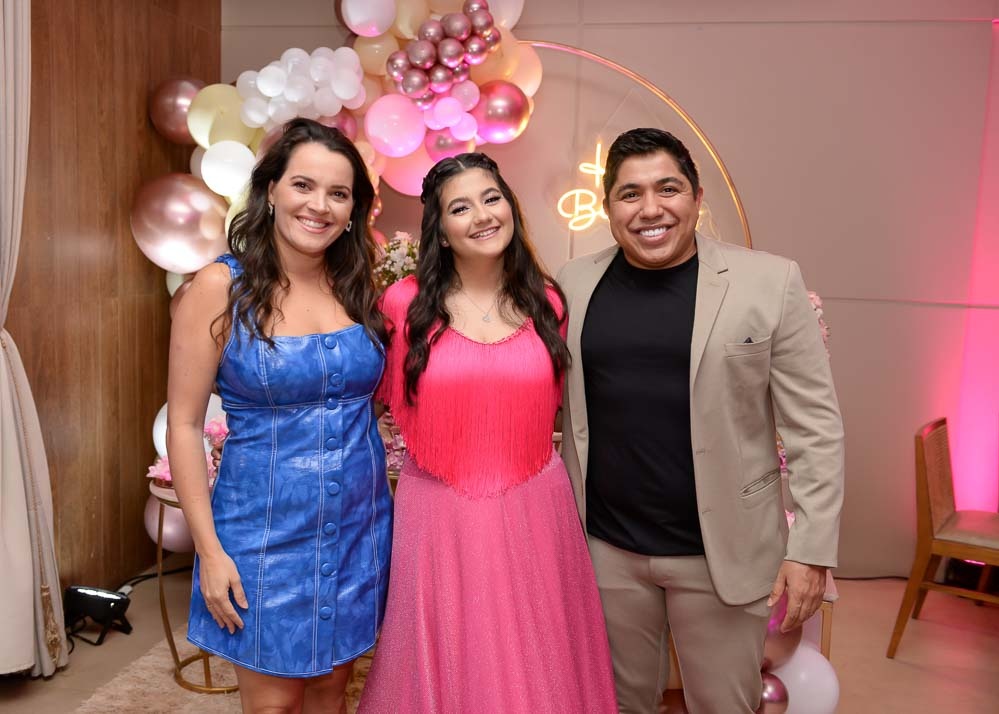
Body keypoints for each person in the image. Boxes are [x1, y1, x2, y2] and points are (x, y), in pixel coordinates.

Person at [556, 128, 844, 713]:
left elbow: (815, 426)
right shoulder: (573, 284)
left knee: (723, 705)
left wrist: (810, 550)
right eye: (630, 193)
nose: (650, 209)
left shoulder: (769, 282)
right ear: (608, 207)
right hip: (606, 549)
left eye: (668, 188)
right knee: (617, 704)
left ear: (697, 197)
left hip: (722, 553)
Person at [358, 153, 617, 713]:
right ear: (440, 232)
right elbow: (377, 403)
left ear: (510, 207)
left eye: (491, 198)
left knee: (537, 663)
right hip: (439, 511)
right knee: (450, 655)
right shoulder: (403, 304)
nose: (482, 215)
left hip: (535, 505)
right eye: (460, 207)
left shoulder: (548, 302)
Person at [167, 118, 392, 713]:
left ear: (353, 210)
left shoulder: (358, 285)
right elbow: (184, 426)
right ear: (271, 190)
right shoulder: (220, 287)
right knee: (274, 705)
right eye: (303, 185)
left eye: (338, 193)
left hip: (357, 530)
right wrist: (209, 552)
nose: (319, 206)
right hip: (261, 536)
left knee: (331, 695)